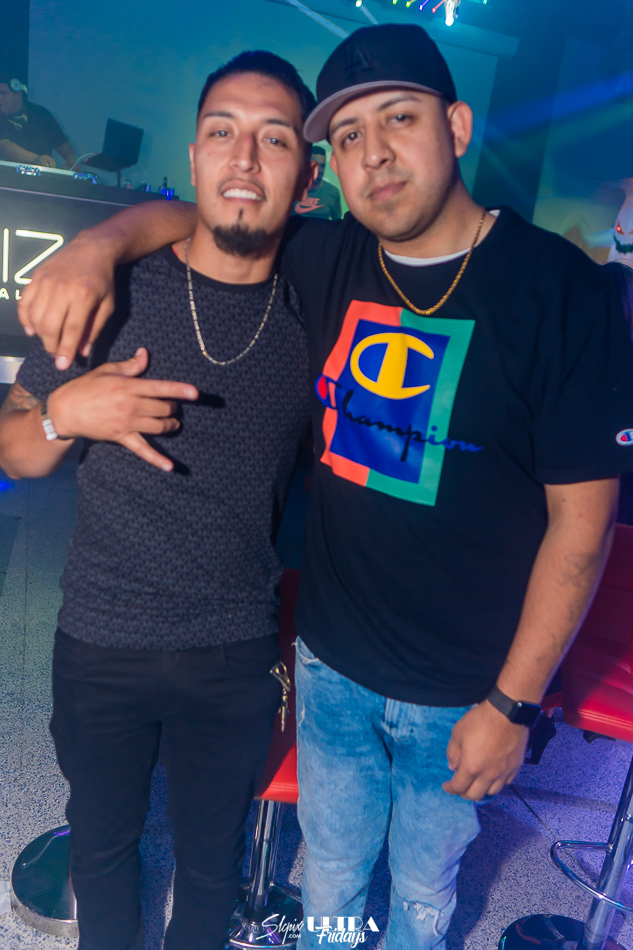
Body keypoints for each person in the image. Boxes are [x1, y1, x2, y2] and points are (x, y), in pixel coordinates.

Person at [16, 25, 633, 950]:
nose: (373, 152)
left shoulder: (553, 292)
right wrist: (95, 250)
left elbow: (581, 529)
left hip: (445, 681)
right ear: (328, 167)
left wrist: (513, 704)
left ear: (456, 126)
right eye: (348, 135)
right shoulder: (315, 260)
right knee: (324, 877)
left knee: (416, 892)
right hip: (316, 662)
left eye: (399, 119)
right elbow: (216, 215)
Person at [0, 50, 316, 950]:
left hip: (235, 647)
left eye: (273, 139)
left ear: (307, 174)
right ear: (193, 155)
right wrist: (66, 413)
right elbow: (14, 448)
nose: (243, 158)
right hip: (101, 637)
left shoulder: (318, 305)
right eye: (222, 133)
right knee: (103, 851)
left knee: (212, 866)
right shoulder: (119, 291)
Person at [0, 74, 76, 168]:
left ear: (19, 95)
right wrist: (36, 159)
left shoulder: (40, 113)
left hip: (42, 176)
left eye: (3, 93)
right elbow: (4, 146)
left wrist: (71, 159)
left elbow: (60, 142)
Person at [293, 144, 342, 219]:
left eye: (322, 166)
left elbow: (337, 221)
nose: (319, 170)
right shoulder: (293, 190)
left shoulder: (333, 192)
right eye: (316, 165)